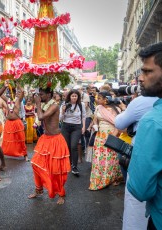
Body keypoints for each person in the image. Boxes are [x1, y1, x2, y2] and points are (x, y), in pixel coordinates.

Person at [127, 42, 162, 230]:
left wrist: (131, 165)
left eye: (147, 72)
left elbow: (141, 189)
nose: (140, 78)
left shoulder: (153, 122)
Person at [115, 95, 158, 230]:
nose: (141, 78)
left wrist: (125, 109)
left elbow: (120, 123)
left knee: (136, 202)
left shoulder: (145, 110)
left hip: (140, 156)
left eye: (147, 72)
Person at [28, 87, 70, 205]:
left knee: (56, 170)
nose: (40, 96)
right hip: (45, 139)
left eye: (42, 94)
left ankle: (61, 193)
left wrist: (37, 103)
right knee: (36, 164)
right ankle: (39, 189)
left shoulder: (54, 106)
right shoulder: (45, 105)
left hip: (56, 140)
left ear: (49, 94)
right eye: (39, 94)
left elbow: (41, 117)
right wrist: (37, 101)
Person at [88, 91, 122, 190]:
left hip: (111, 135)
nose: (96, 99)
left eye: (99, 98)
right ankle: (99, 179)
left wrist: (112, 138)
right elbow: (95, 119)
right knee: (99, 159)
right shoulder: (98, 108)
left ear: (105, 99)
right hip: (100, 136)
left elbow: (119, 124)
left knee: (111, 158)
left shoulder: (116, 109)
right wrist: (95, 126)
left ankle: (112, 177)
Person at [60, 89, 86, 175]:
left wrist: (83, 127)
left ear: (78, 97)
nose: (74, 97)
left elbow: (83, 116)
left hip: (77, 127)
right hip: (66, 126)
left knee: (74, 146)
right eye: (72, 96)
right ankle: (68, 163)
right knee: (67, 146)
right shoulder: (64, 104)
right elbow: (60, 118)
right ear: (69, 97)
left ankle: (74, 166)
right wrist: (63, 111)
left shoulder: (81, 105)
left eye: (75, 96)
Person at [1, 84, 28, 161]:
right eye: (9, 92)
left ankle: (25, 155)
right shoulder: (7, 100)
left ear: (15, 93)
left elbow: (23, 91)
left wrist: (18, 83)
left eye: (11, 92)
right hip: (9, 122)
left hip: (17, 122)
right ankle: (4, 153)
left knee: (21, 139)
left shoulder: (18, 100)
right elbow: (0, 94)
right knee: (7, 139)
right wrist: (5, 86)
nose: (10, 94)